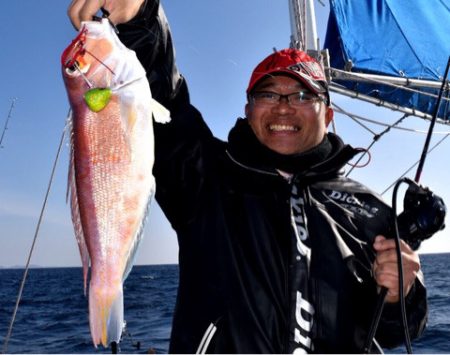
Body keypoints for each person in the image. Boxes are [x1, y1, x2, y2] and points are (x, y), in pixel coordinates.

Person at [68, 0, 428, 353]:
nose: (283, 105)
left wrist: (402, 295)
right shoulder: (206, 175)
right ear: (248, 109)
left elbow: (397, 331)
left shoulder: (370, 211)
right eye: (267, 93)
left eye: (302, 95)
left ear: (328, 115)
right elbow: (163, 100)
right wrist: (139, 19)